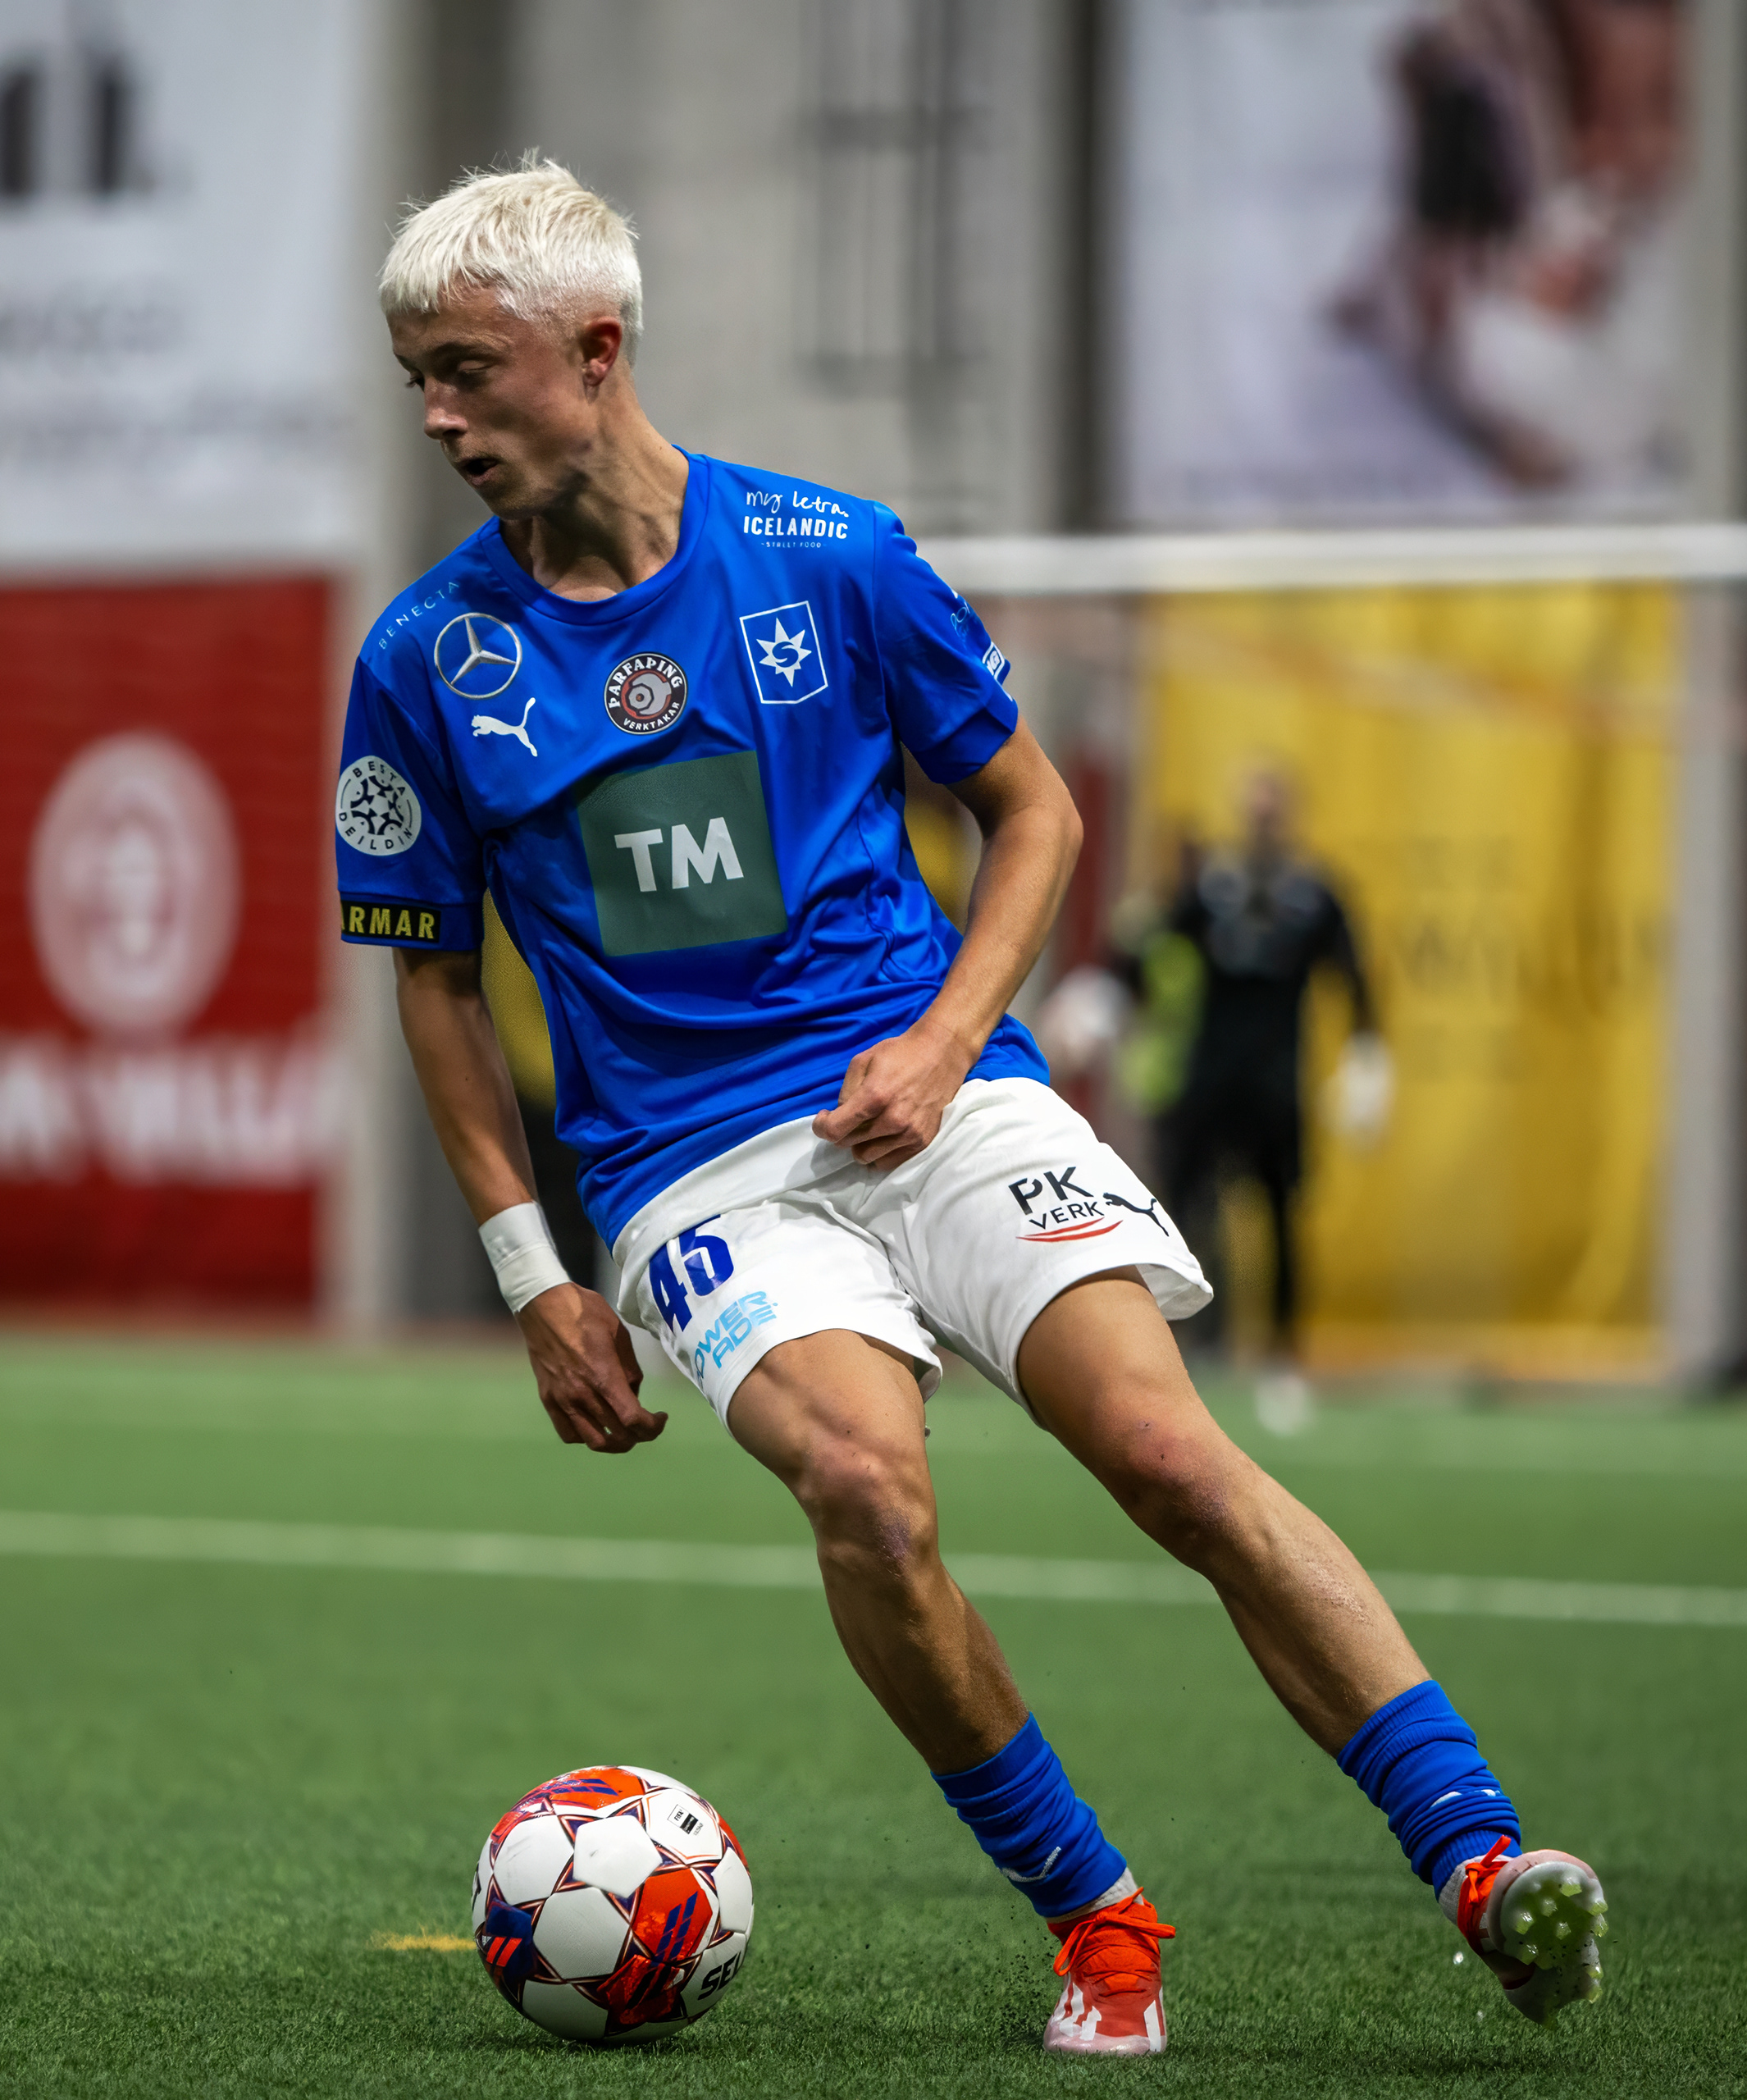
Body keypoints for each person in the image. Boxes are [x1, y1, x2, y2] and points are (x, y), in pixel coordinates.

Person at [340, 160, 1603, 2056]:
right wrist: (535, 1274)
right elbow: (432, 980)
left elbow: (1036, 812)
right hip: (692, 1170)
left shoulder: (834, 554)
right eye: (414, 379)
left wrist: (943, 1042)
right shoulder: (421, 661)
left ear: (594, 352)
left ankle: (1484, 1862)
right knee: (866, 1488)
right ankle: (1099, 1918)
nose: (436, 417)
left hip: (935, 1095)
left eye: (464, 370)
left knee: (1169, 1456)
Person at [1143, 770, 1389, 1431]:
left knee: (1281, 1221)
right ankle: (1167, 1356)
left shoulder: (1314, 895)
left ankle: (1284, 1361)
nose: (1262, 824)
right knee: (1179, 1212)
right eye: (1253, 812)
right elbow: (1153, 945)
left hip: (1277, 1084)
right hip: (1210, 1078)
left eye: (1272, 812)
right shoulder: (1213, 888)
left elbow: (1355, 975)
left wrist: (1368, 1055)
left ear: (1290, 819)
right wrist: (1105, 996)